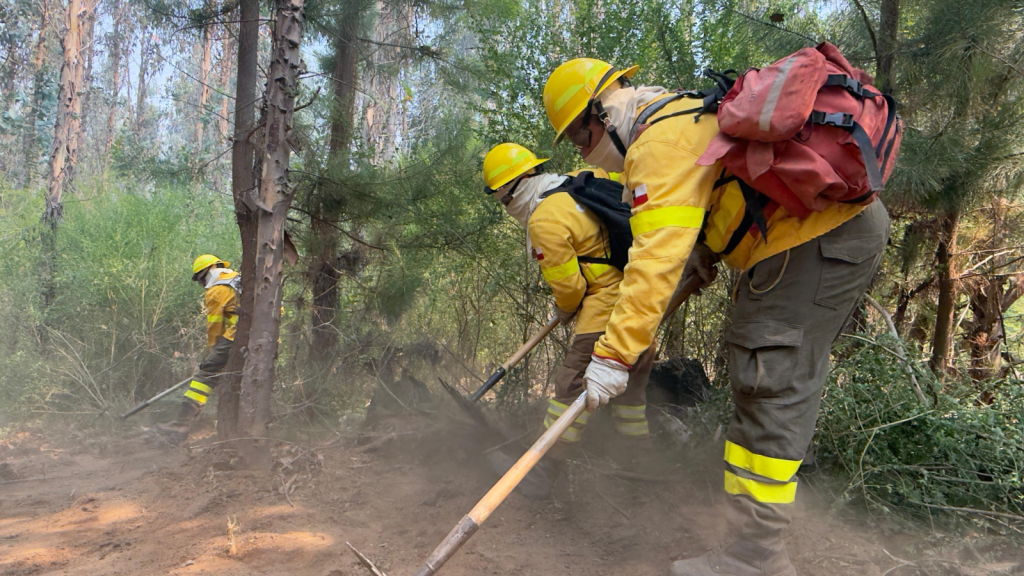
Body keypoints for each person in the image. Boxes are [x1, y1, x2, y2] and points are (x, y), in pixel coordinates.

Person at [543, 58, 889, 576]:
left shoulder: (655, 143)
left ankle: (754, 558)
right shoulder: (680, 115)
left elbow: (654, 258)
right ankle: (762, 537)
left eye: (579, 136)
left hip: (811, 243)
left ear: (601, 112)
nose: (583, 151)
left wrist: (613, 355)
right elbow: (710, 205)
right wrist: (708, 254)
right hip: (826, 237)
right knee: (772, 376)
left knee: (767, 376)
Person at [482, 142, 657, 489]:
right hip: (639, 307)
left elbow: (571, 290)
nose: (504, 207)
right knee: (631, 391)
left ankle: (543, 470)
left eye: (500, 198)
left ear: (508, 189)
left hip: (604, 312)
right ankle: (640, 464)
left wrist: (563, 309)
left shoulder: (544, 218)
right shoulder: (578, 180)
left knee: (571, 385)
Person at [154, 254, 240, 445]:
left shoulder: (217, 290)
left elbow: (215, 327)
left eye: (200, 280)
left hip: (238, 335)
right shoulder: (238, 279)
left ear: (206, 273)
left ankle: (181, 425)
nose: (201, 284)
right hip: (264, 338)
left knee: (204, 376)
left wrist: (212, 352)